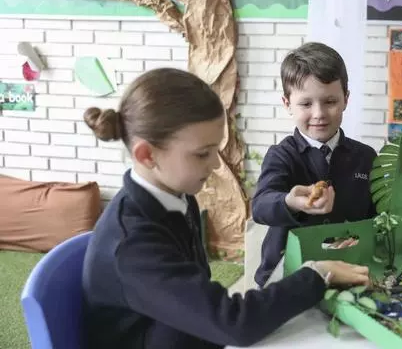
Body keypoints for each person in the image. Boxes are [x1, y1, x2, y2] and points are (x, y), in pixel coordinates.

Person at [81, 67, 370, 349]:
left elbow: (202, 302)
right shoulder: (133, 245)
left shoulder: (179, 198)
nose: (216, 164)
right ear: (147, 155)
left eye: (215, 149)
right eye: (202, 154)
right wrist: (316, 274)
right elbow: (233, 322)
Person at [251, 42, 378, 287]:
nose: (319, 113)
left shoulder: (366, 157)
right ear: (287, 104)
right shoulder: (281, 156)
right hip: (287, 276)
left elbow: (374, 218)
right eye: (306, 104)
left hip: (347, 271)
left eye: (329, 101)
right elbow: (261, 206)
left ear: (346, 99)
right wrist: (290, 201)